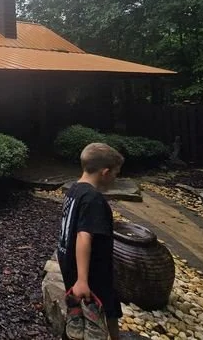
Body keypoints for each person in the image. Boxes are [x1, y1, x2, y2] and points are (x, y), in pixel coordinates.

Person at [57, 143, 124, 340]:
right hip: (91, 270)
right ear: (105, 172)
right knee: (97, 317)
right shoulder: (93, 199)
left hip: (71, 263)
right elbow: (83, 235)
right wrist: (82, 280)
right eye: (116, 173)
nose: (115, 178)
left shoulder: (74, 189)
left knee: (109, 306)